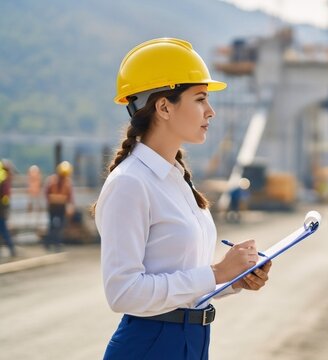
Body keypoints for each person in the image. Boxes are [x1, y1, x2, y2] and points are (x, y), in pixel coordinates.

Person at [93, 38, 272, 359]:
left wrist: (235, 279)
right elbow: (123, 293)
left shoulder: (176, 178)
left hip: (192, 341)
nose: (211, 111)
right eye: (200, 99)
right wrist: (217, 273)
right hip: (150, 346)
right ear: (163, 107)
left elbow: (184, 278)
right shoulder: (130, 183)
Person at [44, 161, 74, 252]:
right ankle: (49, 243)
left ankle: (56, 243)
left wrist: (70, 207)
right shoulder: (52, 180)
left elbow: (70, 196)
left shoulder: (67, 183)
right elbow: (46, 193)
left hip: (61, 206)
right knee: (52, 226)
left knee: (60, 226)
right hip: (53, 206)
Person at [0, 160, 17, 258]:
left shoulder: (3, 178)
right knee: (3, 229)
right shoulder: (5, 179)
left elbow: (5, 197)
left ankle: (11, 248)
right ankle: (10, 248)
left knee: (3, 229)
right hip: (3, 208)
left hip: (2, 209)